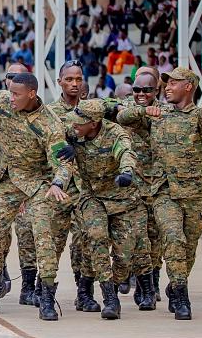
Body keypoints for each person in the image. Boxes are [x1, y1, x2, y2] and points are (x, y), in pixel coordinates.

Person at [0, 73, 72, 321]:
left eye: (16, 94)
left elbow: (63, 163)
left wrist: (58, 182)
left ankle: (47, 295)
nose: (11, 98)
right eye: (10, 92)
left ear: (31, 94)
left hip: (35, 184)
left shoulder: (50, 124)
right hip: (3, 180)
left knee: (43, 238)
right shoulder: (3, 100)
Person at [116, 67, 202, 320]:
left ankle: (174, 286)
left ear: (188, 87)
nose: (168, 87)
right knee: (174, 240)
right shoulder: (158, 114)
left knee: (189, 248)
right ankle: (182, 296)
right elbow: (123, 117)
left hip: (193, 193)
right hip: (164, 192)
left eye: (174, 83)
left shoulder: (199, 116)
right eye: (167, 83)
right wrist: (144, 110)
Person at [66, 99, 154, 319]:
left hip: (121, 199)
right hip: (92, 197)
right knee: (96, 238)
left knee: (124, 255)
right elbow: (56, 138)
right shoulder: (73, 130)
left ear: (94, 123)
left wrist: (126, 172)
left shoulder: (115, 133)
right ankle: (109, 298)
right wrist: (64, 147)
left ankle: (114, 284)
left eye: (80, 122)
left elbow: (126, 153)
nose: (74, 125)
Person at [48, 61, 100, 313]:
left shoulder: (92, 110)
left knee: (86, 242)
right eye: (69, 79)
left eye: (78, 79)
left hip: (86, 188)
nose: (74, 84)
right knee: (53, 243)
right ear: (59, 82)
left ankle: (85, 292)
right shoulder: (50, 112)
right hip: (59, 188)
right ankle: (45, 292)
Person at [116, 72, 164, 304]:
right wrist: (144, 111)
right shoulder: (127, 106)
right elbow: (123, 116)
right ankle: (143, 285)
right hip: (132, 185)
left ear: (157, 91)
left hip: (157, 185)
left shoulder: (166, 111)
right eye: (137, 90)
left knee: (155, 238)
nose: (141, 94)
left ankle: (153, 283)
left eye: (147, 90)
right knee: (136, 236)